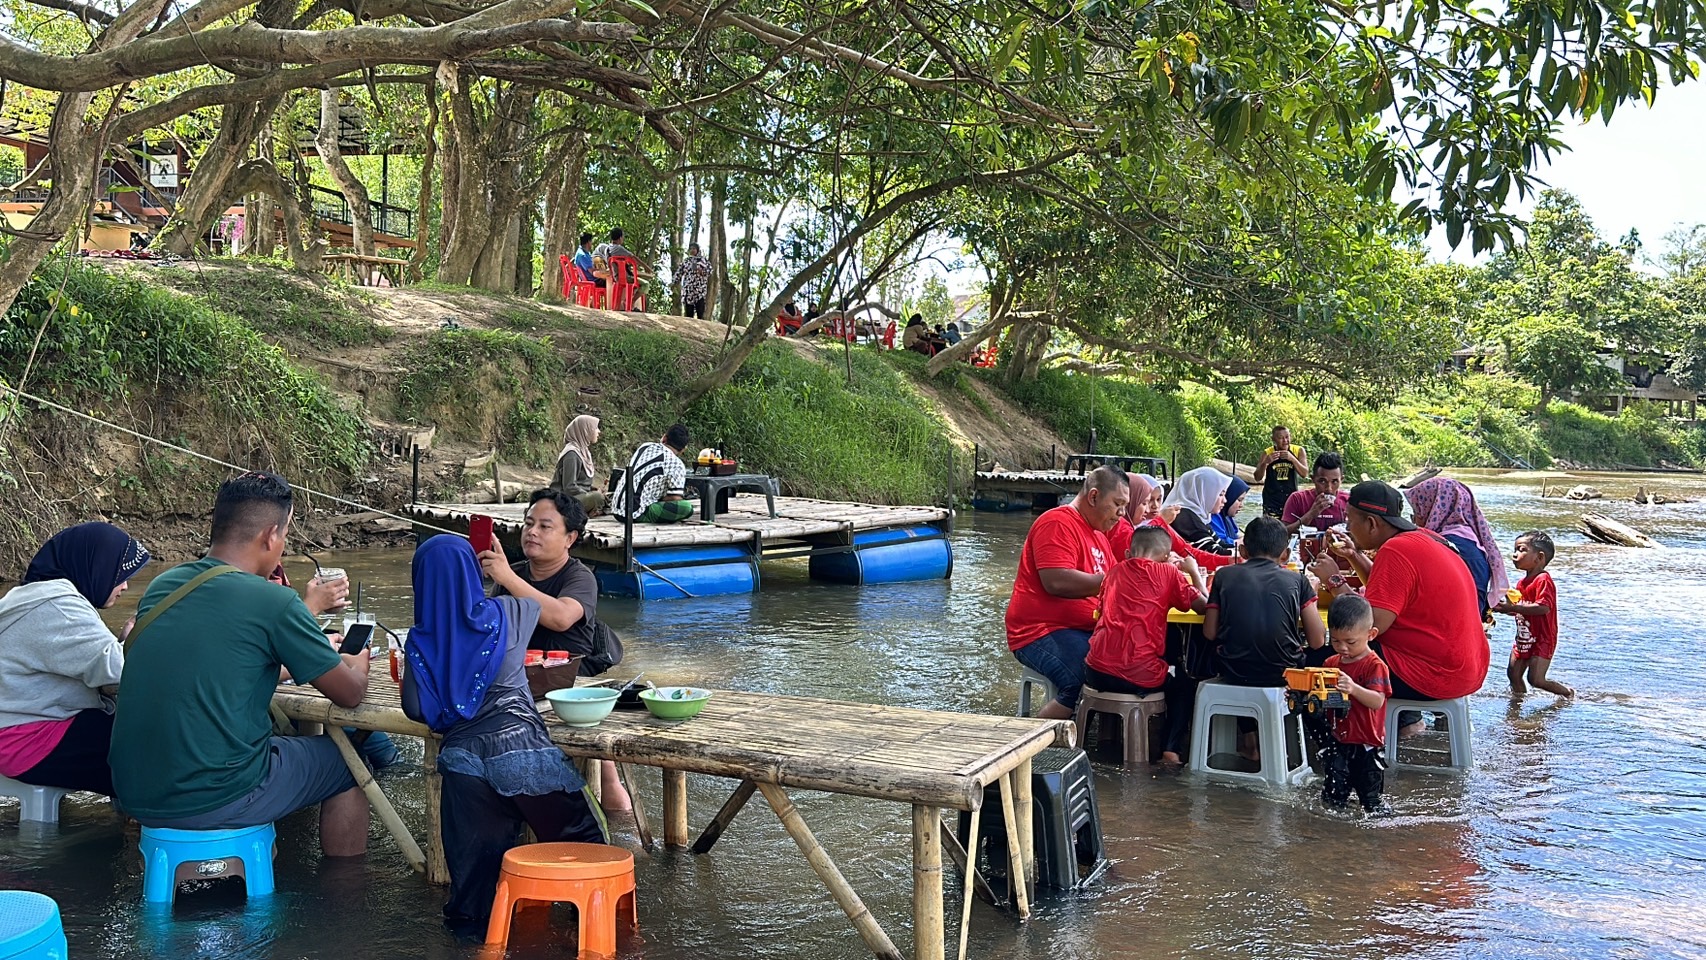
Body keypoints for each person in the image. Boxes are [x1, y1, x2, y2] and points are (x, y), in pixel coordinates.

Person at [110, 472, 372, 857]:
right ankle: (343, 890)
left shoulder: (164, 585)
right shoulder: (275, 602)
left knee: (274, 747)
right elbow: (349, 694)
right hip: (212, 797)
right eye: (285, 535)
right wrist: (356, 661)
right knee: (347, 763)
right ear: (271, 536)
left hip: (132, 788)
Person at [403, 535, 608, 934]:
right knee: (587, 850)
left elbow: (416, 709)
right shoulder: (510, 611)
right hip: (524, 754)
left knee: (475, 888)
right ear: (472, 574)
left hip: (463, 764)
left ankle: (473, 944)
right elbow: (544, 610)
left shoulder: (419, 642)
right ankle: (596, 931)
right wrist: (503, 573)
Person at [483, 488, 630, 810]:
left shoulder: (580, 577)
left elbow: (561, 617)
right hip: (521, 682)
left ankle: (621, 826)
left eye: (545, 526)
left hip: (571, 685)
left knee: (604, 770)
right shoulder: (512, 574)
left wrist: (507, 577)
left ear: (570, 538)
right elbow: (487, 629)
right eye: (528, 523)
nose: (532, 532)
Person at [1308, 480, 1489, 706]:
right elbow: (1389, 592)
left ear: (1371, 523)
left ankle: (1348, 732)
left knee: (1312, 665)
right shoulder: (1424, 536)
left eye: (1350, 520)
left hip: (1437, 674)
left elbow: (1366, 626)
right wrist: (1354, 555)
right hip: (1467, 667)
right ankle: (1403, 722)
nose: (1348, 527)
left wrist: (1333, 580)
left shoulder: (1396, 550)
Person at [0, 523, 149, 796]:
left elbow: (95, 664)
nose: (125, 586)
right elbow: (122, 672)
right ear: (96, 566)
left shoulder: (28, 596)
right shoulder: (60, 605)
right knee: (155, 748)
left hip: (15, 728)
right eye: (119, 574)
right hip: (26, 740)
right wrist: (135, 637)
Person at [1005, 467, 1129, 720]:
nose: (1122, 513)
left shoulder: (1099, 537)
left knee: (1131, 665)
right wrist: (1114, 580)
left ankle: (1104, 736)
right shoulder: (1057, 522)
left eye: (1125, 506)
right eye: (1118, 504)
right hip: (1040, 630)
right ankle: (1033, 739)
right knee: (1086, 675)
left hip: (1084, 629)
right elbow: (1056, 581)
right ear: (1093, 496)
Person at [1083, 526, 1207, 764]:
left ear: (1128, 553)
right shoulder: (1168, 573)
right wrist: (1192, 571)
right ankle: (1171, 750)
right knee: (1184, 683)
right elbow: (1204, 606)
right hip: (1138, 675)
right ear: (1165, 557)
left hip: (1095, 670)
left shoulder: (1113, 572)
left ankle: (1103, 738)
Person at [1204, 517, 1326, 688]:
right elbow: (1317, 641)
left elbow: (1209, 632)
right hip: (1284, 673)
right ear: (1286, 555)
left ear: (1243, 551)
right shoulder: (1298, 580)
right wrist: (1312, 593)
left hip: (1232, 671)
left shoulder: (1223, 575)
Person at [1320, 594, 1391, 813]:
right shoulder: (1331, 663)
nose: (1342, 647)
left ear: (1371, 634)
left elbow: (1377, 701)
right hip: (1339, 739)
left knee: (1370, 800)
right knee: (1333, 796)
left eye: (1350, 642)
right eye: (1335, 641)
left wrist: (1353, 688)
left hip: (1367, 743)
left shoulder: (1374, 666)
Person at [1406, 476, 1508, 619]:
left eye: (1417, 512)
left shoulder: (1444, 545)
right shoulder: (1472, 541)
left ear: (1433, 510)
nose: (1415, 521)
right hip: (1470, 622)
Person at [1495, 531, 1573, 698]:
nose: (1515, 554)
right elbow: (1521, 609)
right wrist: (1503, 608)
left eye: (1521, 549)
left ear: (1539, 557)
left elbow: (1543, 607)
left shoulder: (1543, 579)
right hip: (1524, 636)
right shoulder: (1521, 583)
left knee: (1536, 679)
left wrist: (1514, 607)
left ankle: (1567, 694)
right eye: (1515, 550)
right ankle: (1517, 706)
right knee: (1513, 675)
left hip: (1543, 637)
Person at [1111, 474, 1235, 573]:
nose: (1152, 507)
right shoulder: (1119, 528)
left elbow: (1187, 551)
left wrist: (1229, 561)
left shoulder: (1158, 523)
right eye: (1145, 503)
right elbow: (1138, 562)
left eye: (1159, 499)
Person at [611, 424, 693, 524]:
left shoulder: (645, 446)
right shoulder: (677, 464)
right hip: (635, 513)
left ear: (664, 438)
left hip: (616, 509)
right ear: (683, 449)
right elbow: (675, 498)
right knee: (686, 507)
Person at [1162, 467, 1234, 554]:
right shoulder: (1184, 516)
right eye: (1220, 494)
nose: (1225, 500)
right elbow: (1213, 551)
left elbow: (1222, 545)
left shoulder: (1199, 515)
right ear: (1204, 493)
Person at [550, 414, 606, 515]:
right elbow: (569, 487)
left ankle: (593, 509)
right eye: (595, 428)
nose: (598, 431)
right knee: (598, 497)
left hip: (576, 497)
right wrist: (589, 494)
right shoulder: (572, 454)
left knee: (608, 496)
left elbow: (580, 483)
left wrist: (593, 489)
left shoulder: (583, 452)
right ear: (585, 430)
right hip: (563, 500)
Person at [1281, 452, 1349, 535]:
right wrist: (1310, 515)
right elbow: (1282, 534)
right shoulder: (1298, 499)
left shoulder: (1348, 501)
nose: (1329, 488)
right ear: (1313, 479)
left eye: (1334, 482)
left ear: (1341, 480)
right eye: (1322, 481)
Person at [1254, 426, 1307, 518]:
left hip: (1291, 498)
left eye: (1287, 437)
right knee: (1271, 526)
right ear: (1273, 439)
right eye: (1281, 438)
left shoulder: (1298, 450)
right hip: (1271, 499)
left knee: (1291, 525)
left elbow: (1304, 474)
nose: (1285, 440)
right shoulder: (1267, 453)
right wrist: (1265, 463)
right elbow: (1257, 477)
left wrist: (1292, 459)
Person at [1209, 476, 1249, 548]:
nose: (1241, 505)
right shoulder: (1213, 516)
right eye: (1239, 500)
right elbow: (1221, 541)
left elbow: (1235, 534)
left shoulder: (1226, 516)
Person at [679, 243, 711, 320]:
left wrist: (702, 271)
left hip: (699, 290)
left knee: (700, 312)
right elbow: (679, 272)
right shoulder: (686, 261)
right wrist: (674, 282)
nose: (692, 250)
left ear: (697, 250)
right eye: (691, 249)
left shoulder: (703, 260)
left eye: (694, 248)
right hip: (689, 290)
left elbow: (710, 270)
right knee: (689, 314)